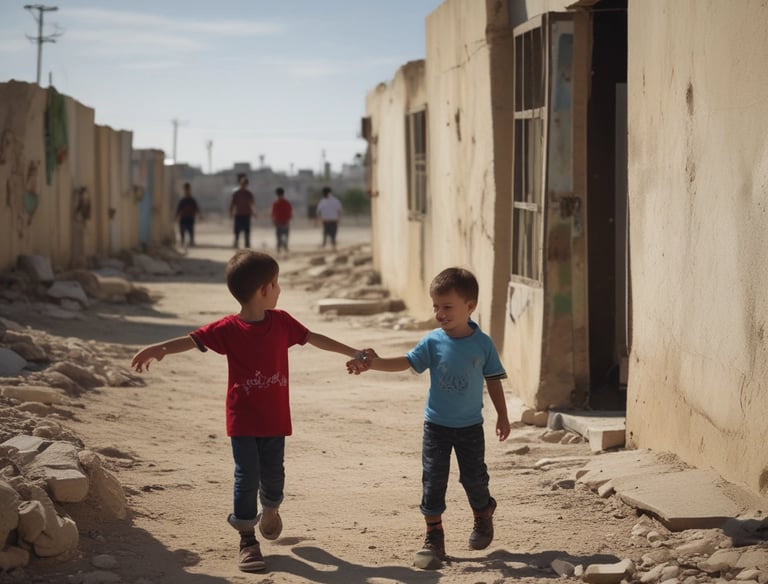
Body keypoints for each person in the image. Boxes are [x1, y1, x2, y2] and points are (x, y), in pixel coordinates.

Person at [131, 250, 369, 573]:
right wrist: (160, 349)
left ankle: (270, 509)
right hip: (242, 421)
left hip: (275, 422)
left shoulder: (282, 322)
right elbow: (192, 339)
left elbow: (315, 339)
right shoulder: (228, 329)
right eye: (276, 283)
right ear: (262, 291)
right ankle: (247, 539)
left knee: (273, 476)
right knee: (246, 477)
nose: (279, 289)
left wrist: (353, 351)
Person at [346, 267, 510, 567]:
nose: (440, 313)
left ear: (470, 307)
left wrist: (502, 415)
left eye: (447, 307)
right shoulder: (433, 342)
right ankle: (434, 537)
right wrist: (375, 363)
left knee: (473, 478)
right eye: (436, 306)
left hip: (471, 427)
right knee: (433, 481)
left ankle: (483, 513)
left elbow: (494, 380)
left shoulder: (483, 344)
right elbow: (407, 362)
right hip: (436, 426)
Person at [230, 174, 256, 248]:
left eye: (245, 184)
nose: (244, 185)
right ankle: (236, 242)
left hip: (246, 214)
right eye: (243, 184)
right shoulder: (236, 193)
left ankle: (247, 244)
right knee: (237, 230)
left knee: (247, 230)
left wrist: (253, 212)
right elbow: (232, 204)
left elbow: (251, 204)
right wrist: (231, 212)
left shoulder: (248, 194)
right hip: (238, 214)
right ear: (241, 184)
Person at [175, 182, 202, 247]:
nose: (187, 191)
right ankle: (182, 241)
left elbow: (196, 208)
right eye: (186, 189)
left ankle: (191, 242)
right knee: (182, 230)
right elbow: (178, 209)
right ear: (184, 190)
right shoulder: (183, 200)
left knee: (191, 230)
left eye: (188, 189)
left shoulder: (192, 200)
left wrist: (200, 215)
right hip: (183, 218)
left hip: (190, 218)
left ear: (190, 189)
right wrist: (176, 216)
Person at [270, 187, 292, 256]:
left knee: (280, 236)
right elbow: (290, 212)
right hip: (283, 222)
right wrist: (288, 220)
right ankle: (283, 247)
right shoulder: (286, 203)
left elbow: (273, 213)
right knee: (284, 236)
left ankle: (280, 248)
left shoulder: (276, 203)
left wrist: (273, 221)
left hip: (280, 222)